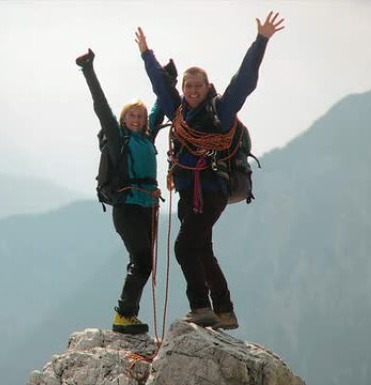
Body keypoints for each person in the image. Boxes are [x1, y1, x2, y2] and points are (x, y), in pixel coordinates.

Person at [134, 11, 285, 329]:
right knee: (201, 249)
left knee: (184, 246)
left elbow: (243, 82)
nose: (191, 90)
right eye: (188, 85)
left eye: (197, 86)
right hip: (190, 192)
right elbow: (160, 84)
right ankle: (225, 311)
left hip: (213, 191)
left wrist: (261, 41)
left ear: (206, 86)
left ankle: (201, 307)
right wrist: (147, 54)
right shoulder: (178, 110)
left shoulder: (222, 111)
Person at [75, 48, 165, 334]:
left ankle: (129, 316)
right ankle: (123, 315)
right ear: (125, 119)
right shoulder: (119, 140)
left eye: (141, 116)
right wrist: (88, 70)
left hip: (147, 208)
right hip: (126, 208)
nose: (138, 119)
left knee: (142, 263)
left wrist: (169, 79)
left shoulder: (148, 137)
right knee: (141, 261)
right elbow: (102, 107)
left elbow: (159, 107)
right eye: (132, 116)